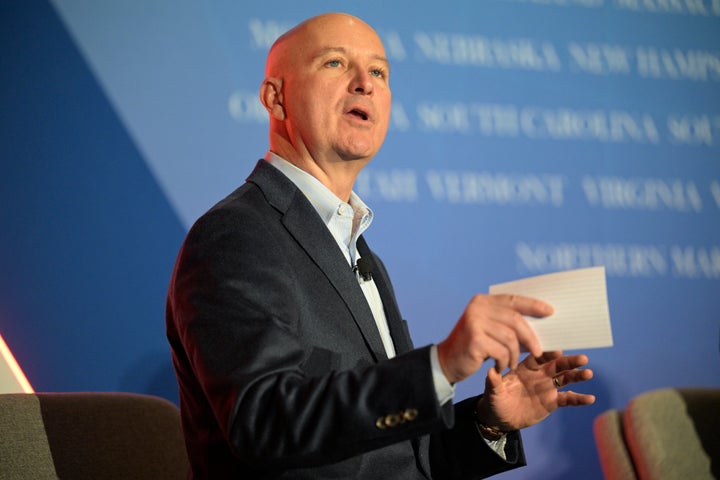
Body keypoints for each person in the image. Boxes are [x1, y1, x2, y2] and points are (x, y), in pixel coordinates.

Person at [166, 12, 596, 479]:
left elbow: (399, 458)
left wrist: (489, 422)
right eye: (334, 63)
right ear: (276, 98)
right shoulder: (237, 235)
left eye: (378, 72)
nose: (364, 84)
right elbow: (265, 426)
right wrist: (441, 365)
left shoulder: (358, 250)